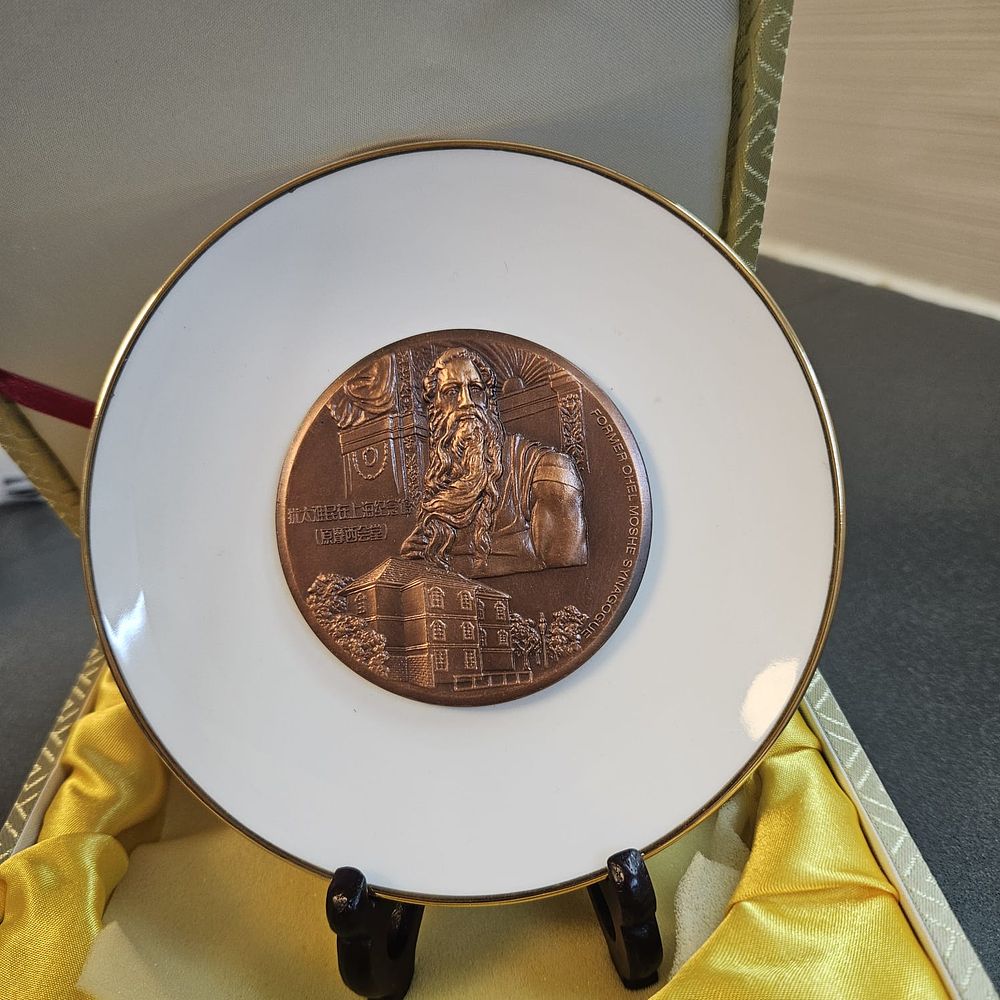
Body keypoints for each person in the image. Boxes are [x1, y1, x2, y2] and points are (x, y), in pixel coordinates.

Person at [400, 347, 587, 578]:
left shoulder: (550, 472)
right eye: (451, 392)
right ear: (435, 409)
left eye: (475, 390)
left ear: (488, 402)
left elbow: (567, 575)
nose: (467, 403)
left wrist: (448, 562)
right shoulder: (442, 475)